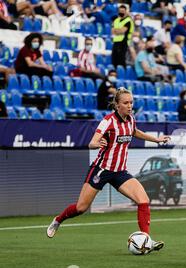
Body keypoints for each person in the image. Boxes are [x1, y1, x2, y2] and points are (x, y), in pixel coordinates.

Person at [46, 88, 171, 253]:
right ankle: (58, 220)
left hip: (120, 172)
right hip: (102, 170)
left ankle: (146, 240)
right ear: (117, 105)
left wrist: (155, 139)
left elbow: (134, 132)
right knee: (81, 208)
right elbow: (92, 142)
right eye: (126, 103)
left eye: (131, 102)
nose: (129, 106)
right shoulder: (108, 121)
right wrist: (97, 144)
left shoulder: (131, 120)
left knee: (143, 199)